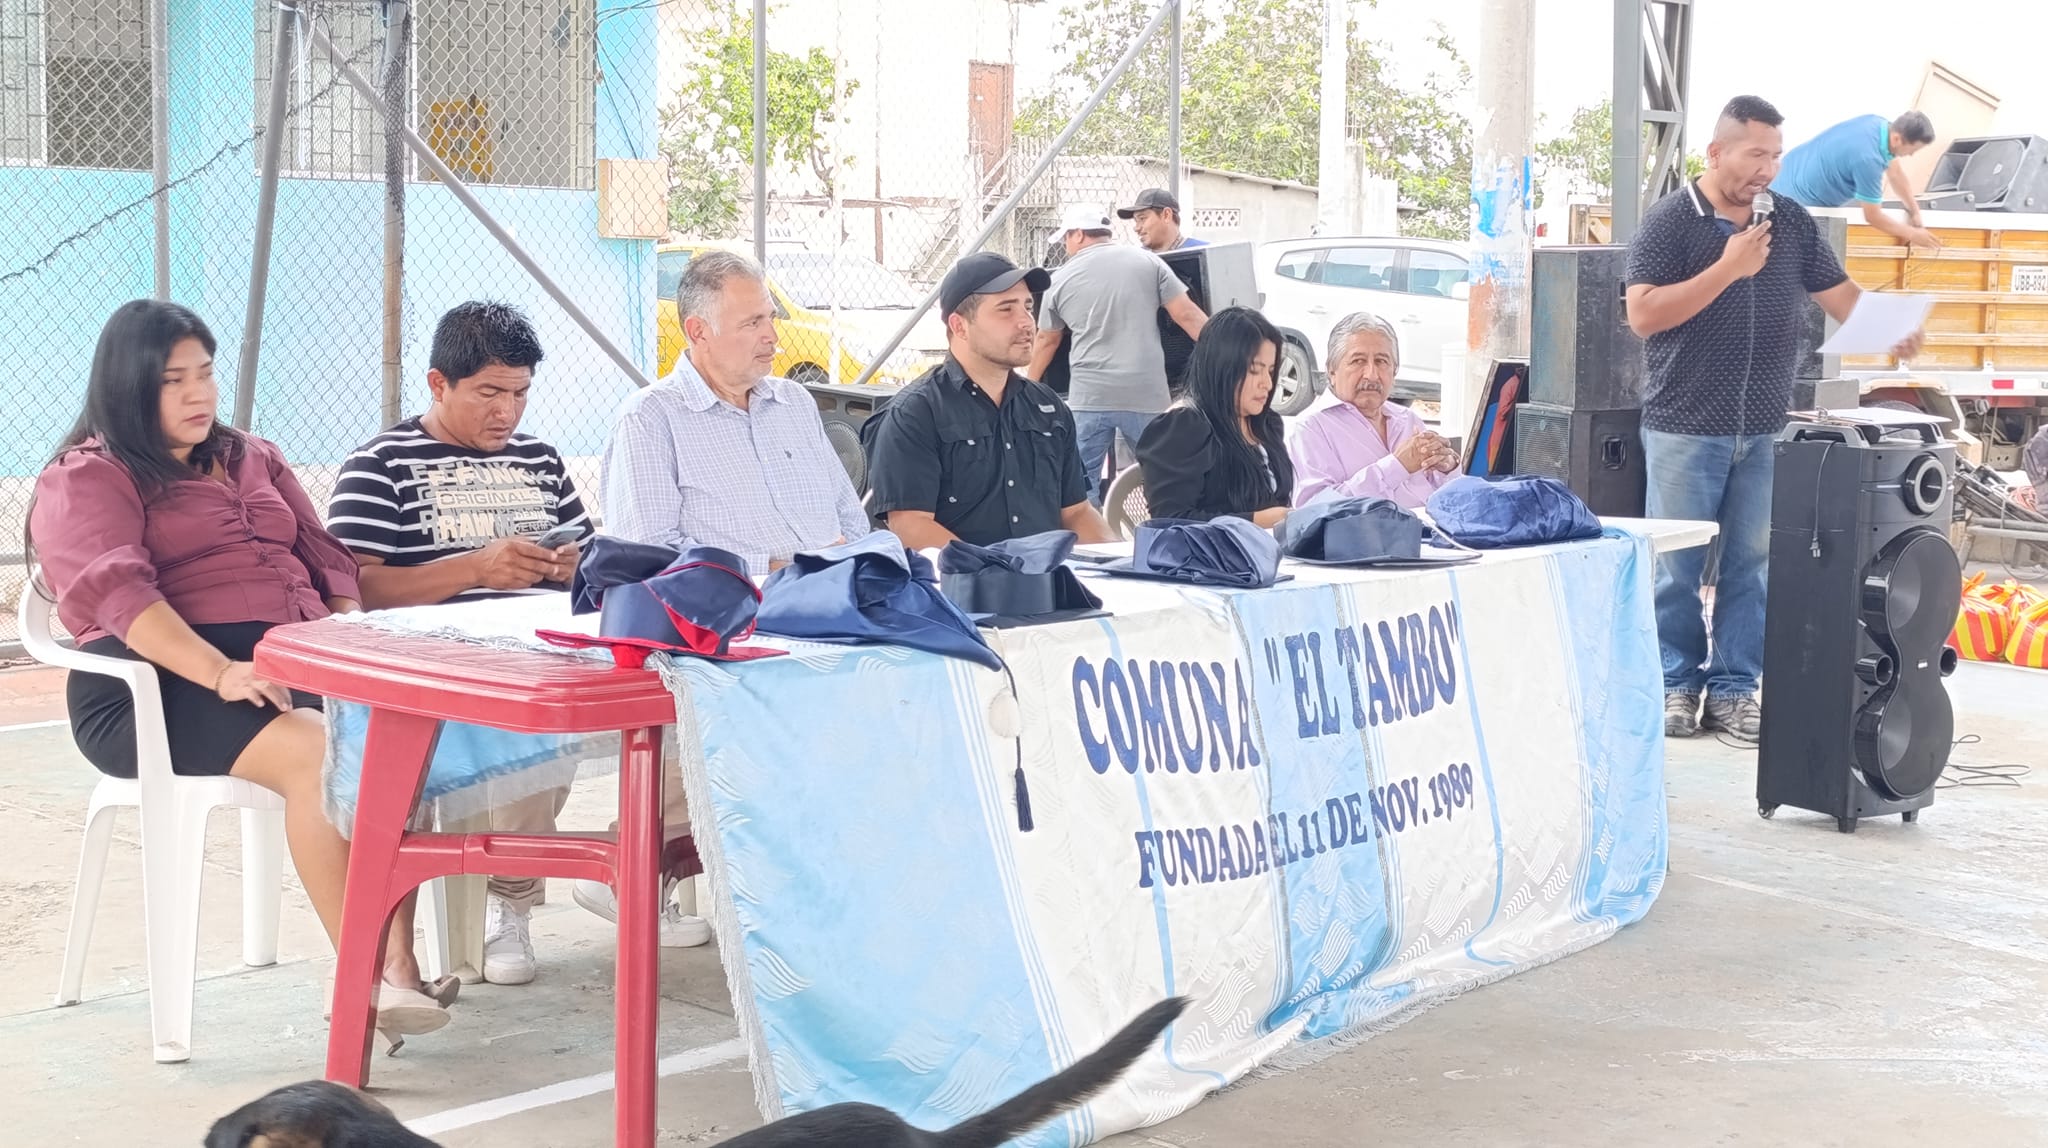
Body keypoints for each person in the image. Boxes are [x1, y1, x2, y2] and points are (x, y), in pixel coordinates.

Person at [27, 300, 450, 1041]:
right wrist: (220, 671)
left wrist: (348, 630)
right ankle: (363, 979)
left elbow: (323, 554)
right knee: (318, 751)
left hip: (286, 660)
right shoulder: (88, 474)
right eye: (173, 381)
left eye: (206, 374)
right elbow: (121, 596)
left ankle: (397, 968)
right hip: (152, 682)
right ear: (128, 385)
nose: (198, 394)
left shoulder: (253, 454)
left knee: (398, 736)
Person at [1625, 95, 1925, 742]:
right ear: (1716, 152)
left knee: (1752, 567)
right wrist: (1728, 269)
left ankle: (1735, 690)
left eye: (1776, 156)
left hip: (1764, 428)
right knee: (1676, 570)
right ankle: (1676, 684)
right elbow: (1643, 315)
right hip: (1684, 425)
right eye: (1756, 154)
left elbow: (1839, 295)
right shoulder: (1670, 221)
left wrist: (1890, 327)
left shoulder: (1788, 221)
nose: (1767, 169)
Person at [325, 301, 592, 987]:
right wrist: (472, 570)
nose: (507, 412)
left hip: (542, 654)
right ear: (438, 384)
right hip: (435, 671)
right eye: (489, 393)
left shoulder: (540, 460)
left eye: (521, 393)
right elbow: (353, 587)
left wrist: (571, 567)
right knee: (525, 715)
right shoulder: (381, 464)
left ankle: (528, 896)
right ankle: (508, 899)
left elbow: (592, 561)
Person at [604, 249, 871, 575]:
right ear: (698, 331)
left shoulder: (795, 402)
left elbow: (852, 517)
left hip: (839, 590)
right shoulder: (650, 418)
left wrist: (844, 567)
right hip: (736, 600)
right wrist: (775, 571)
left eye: (771, 318)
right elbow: (648, 553)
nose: (772, 336)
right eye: (752, 323)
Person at [865, 251, 1117, 549]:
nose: (1027, 322)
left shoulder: (1048, 407)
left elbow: (1076, 512)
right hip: (959, 577)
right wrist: (993, 570)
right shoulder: (915, 413)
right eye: (1006, 309)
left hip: (1049, 574)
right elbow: (910, 525)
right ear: (959, 326)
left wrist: (1119, 559)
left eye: (1028, 307)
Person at [1025, 205, 1208, 505]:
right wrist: (1228, 356)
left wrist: (1028, 387)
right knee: (1163, 477)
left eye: (1066, 239)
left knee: (1080, 487)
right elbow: (1188, 316)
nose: (1066, 247)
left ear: (1078, 235)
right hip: (1145, 393)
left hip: (1089, 397)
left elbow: (1047, 340)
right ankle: (1165, 527)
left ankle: (1095, 533)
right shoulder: (1149, 263)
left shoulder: (1060, 279)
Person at [1136, 306, 1293, 526]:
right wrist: (1257, 521)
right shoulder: (1184, 427)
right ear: (1222, 367)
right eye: (1254, 370)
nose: (1267, 383)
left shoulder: (1267, 423)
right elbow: (1170, 521)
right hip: (1210, 548)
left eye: (1271, 371)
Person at [1287, 312, 1458, 509]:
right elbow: (1315, 510)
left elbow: (1449, 500)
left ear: (1394, 371)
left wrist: (1448, 468)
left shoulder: (1408, 420)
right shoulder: (1310, 429)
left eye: (1381, 361)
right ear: (1332, 371)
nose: (1372, 375)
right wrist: (1396, 466)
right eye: (1358, 361)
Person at [1773, 110, 1941, 249]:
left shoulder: (1877, 124)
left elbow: (1895, 173)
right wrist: (1913, 234)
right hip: (1795, 204)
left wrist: (1914, 210)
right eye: (1913, 149)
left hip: (1784, 174)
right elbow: (1873, 216)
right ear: (1897, 139)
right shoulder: (1869, 160)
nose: (1911, 155)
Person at [1118, 187, 1208, 253]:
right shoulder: (1139, 259)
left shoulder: (1204, 253)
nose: (1136, 228)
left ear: (1166, 215)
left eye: (1142, 218)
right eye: (1136, 221)